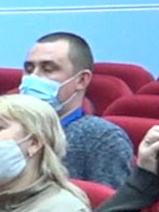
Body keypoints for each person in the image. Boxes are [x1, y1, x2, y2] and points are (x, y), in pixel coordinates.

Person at [20, 32, 132, 188]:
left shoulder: (101, 139)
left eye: (48, 69)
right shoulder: (5, 129)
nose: (34, 77)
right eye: (29, 69)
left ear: (81, 80)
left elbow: (107, 202)